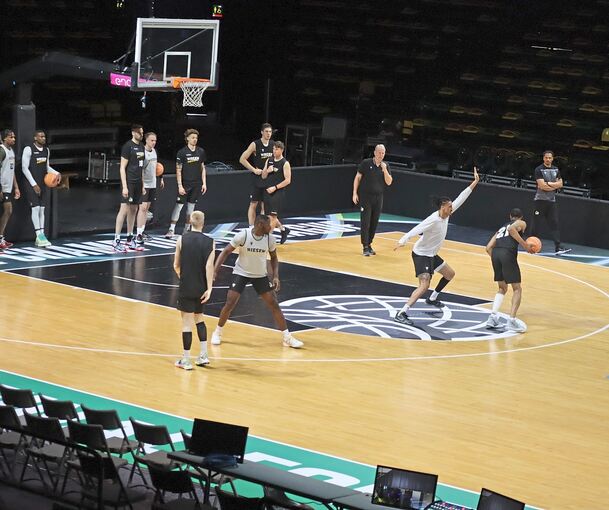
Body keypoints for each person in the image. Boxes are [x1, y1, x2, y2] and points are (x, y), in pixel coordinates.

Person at [393, 168, 480, 326]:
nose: (451, 210)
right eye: (449, 208)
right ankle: (402, 312)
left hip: (432, 254)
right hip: (421, 254)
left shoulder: (447, 214)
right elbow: (417, 228)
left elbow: (462, 197)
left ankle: (432, 298)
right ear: (442, 207)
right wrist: (403, 239)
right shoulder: (433, 219)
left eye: (452, 208)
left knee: (450, 274)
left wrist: (474, 183)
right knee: (424, 284)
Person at [210, 214, 303, 348]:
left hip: (260, 275)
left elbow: (274, 258)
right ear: (260, 225)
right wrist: (215, 271)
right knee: (230, 302)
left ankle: (287, 338)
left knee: (274, 304)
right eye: (268, 225)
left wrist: (276, 276)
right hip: (241, 272)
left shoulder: (270, 239)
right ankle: (217, 332)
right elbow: (225, 252)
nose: (271, 227)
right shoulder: (244, 235)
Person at [173, 211, 215, 370]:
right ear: (203, 223)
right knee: (199, 318)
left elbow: (176, 265)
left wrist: (183, 277)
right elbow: (209, 266)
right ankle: (203, 355)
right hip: (201, 288)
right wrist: (209, 288)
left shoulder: (181, 239)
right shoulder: (211, 241)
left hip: (186, 285)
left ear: (190, 221)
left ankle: (186, 360)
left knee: (186, 323)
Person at [485, 208, 534, 333]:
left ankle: (493, 317)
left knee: (502, 288)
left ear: (510, 216)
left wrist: (497, 259)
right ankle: (511, 320)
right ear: (520, 217)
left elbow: (488, 247)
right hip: (507, 253)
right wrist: (525, 246)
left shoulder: (501, 227)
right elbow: (512, 229)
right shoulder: (522, 223)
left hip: (495, 254)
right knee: (517, 288)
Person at [21, 130, 60, 247]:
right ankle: (38, 235)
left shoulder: (46, 150)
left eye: (44, 136)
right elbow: (24, 168)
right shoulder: (28, 149)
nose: (44, 138)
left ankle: (42, 234)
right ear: (35, 138)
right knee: (36, 208)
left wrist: (57, 173)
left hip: (43, 183)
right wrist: (33, 184)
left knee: (42, 209)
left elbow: (47, 167)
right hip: (31, 183)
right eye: (41, 136)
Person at [352, 144, 393, 256]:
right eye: (379, 152)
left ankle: (369, 244)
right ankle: (365, 246)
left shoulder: (386, 166)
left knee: (374, 222)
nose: (381, 155)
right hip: (366, 197)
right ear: (375, 152)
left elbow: (389, 182)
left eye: (383, 153)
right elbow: (358, 177)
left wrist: (384, 170)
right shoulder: (366, 163)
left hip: (379, 198)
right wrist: (354, 193)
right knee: (365, 222)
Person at [165, 129, 207, 238]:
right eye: (193, 137)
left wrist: (204, 183)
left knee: (191, 208)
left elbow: (203, 168)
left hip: (196, 184)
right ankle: (171, 229)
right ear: (187, 138)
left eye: (196, 138)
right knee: (179, 206)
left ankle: (187, 229)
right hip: (185, 184)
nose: (195, 140)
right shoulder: (182, 152)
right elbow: (178, 170)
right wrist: (180, 185)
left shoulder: (201, 151)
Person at [530, 150, 570, 255]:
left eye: (550, 158)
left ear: (552, 158)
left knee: (554, 224)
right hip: (540, 201)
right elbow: (541, 186)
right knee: (536, 224)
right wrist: (553, 185)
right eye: (546, 157)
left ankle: (558, 247)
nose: (548, 159)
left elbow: (561, 184)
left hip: (551, 201)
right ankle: (531, 247)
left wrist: (548, 184)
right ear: (543, 158)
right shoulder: (539, 169)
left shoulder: (556, 169)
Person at [113, 124, 145, 252]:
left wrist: (142, 184)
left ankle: (129, 238)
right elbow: (122, 168)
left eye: (142, 132)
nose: (141, 135)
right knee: (124, 209)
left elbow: (141, 167)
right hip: (129, 182)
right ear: (133, 133)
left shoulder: (142, 146)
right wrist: (125, 187)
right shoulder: (127, 146)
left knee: (134, 209)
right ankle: (116, 240)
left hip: (138, 183)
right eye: (139, 133)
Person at [239, 123, 273, 226]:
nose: (268, 134)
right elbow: (242, 159)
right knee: (253, 203)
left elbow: (278, 160)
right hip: (257, 179)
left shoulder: (273, 144)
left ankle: (263, 227)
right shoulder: (255, 144)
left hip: (269, 178)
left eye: (270, 132)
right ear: (262, 132)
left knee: (265, 205)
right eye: (266, 131)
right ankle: (251, 227)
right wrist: (254, 170)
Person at [135, 131, 164, 246]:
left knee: (147, 209)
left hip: (152, 183)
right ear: (146, 140)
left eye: (155, 141)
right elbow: (140, 170)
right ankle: (138, 234)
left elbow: (157, 167)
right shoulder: (142, 152)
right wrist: (141, 185)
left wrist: (161, 178)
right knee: (142, 208)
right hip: (144, 184)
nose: (154, 143)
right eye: (152, 140)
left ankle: (142, 231)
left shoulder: (155, 152)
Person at [261, 141, 291, 244]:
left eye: (276, 149)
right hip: (267, 191)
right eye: (273, 149)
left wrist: (275, 187)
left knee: (272, 216)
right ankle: (283, 230)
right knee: (268, 215)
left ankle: (267, 239)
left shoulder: (285, 163)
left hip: (277, 192)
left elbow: (288, 180)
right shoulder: (269, 160)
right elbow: (263, 176)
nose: (274, 151)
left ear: (281, 150)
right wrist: (267, 171)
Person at [0, 129, 20, 250]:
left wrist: (16, 187)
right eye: (11, 137)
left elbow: (12, 171)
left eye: (14, 137)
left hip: (8, 187)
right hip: (2, 187)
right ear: (4, 139)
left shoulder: (11, 151)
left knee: (8, 211)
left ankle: (1, 238)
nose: (13, 139)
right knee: (8, 210)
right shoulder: (1, 151)